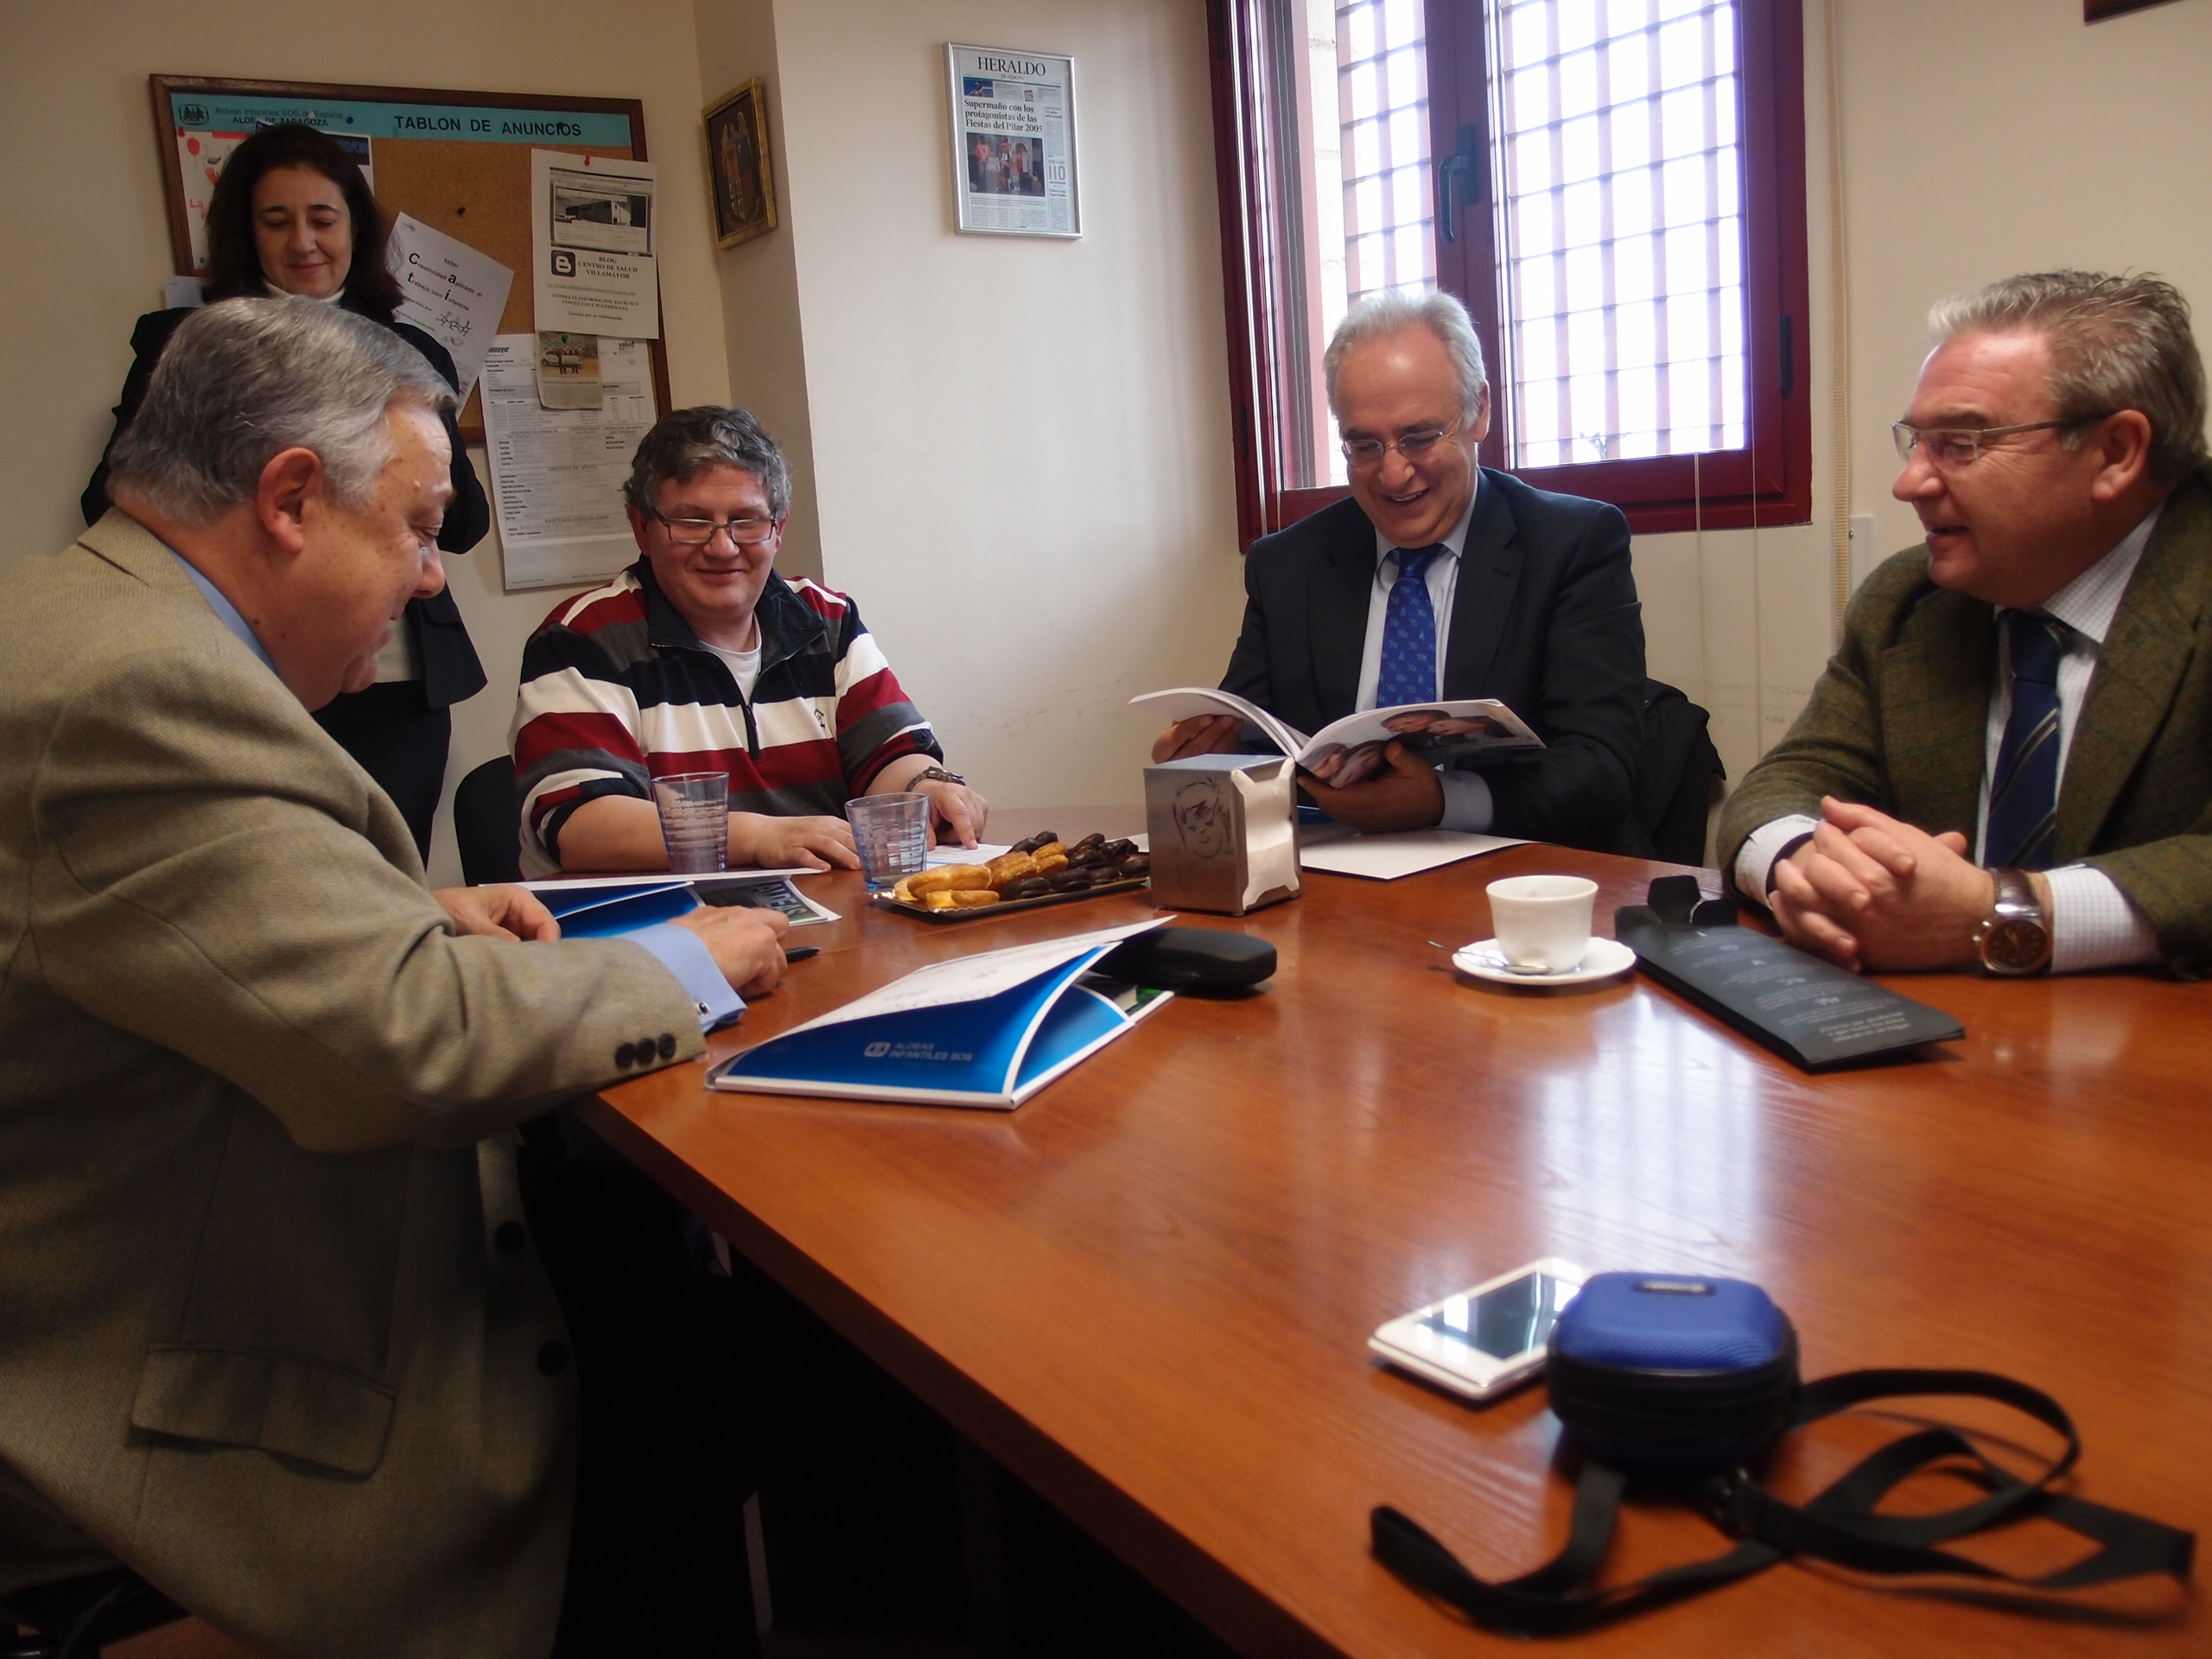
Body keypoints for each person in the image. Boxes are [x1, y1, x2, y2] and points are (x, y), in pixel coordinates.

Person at [1, 297, 791, 1657]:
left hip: (174, 1251)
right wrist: (687, 960)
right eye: (420, 528)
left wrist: (397, 908)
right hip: (182, 1408)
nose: (433, 579)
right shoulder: (143, 685)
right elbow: (411, 1043)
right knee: (712, 1387)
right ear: (290, 498)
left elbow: (143, 918)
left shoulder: (72, 616)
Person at [1718, 270, 2212, 978]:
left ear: (2116, 452)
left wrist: (2000, 911)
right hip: (1935, 1025)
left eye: (1961, 443)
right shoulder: (1908, 599)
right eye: (1917, 441)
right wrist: (1807, 870)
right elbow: (1784, 784)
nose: (1909, 483)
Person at [82, 123, 492, 862]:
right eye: (276, 221)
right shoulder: (190, 344)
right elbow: (118, 501)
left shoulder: (412, 351)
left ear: (355, 229)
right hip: (249, 668)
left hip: (397, 681)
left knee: (392, 880)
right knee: (268, 875)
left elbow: (463, 525)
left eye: (322, 219)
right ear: (247, 233)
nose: (303, 241)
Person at [1151, 289, 1645, 850]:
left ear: (1479, 410)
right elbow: (1252, 739)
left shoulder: (1570, 544)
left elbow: (1603, 768)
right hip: (1341, 868)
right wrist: (1202, 757)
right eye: (1364, 445)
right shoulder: (1289, 564)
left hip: (1524, 874)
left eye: (1419, 437)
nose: (1393, 474)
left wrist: (1442, 801)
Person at [512, 405, 988, 876]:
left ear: (778, 529)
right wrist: (762, 837)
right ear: (642, 527)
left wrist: (925, 790)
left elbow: (889, 756)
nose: (723, 547)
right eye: (692, 522)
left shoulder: (828, 620)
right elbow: (581, 825)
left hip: (826, 907)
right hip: (662, 917)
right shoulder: (582, 639)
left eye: (747, 521)